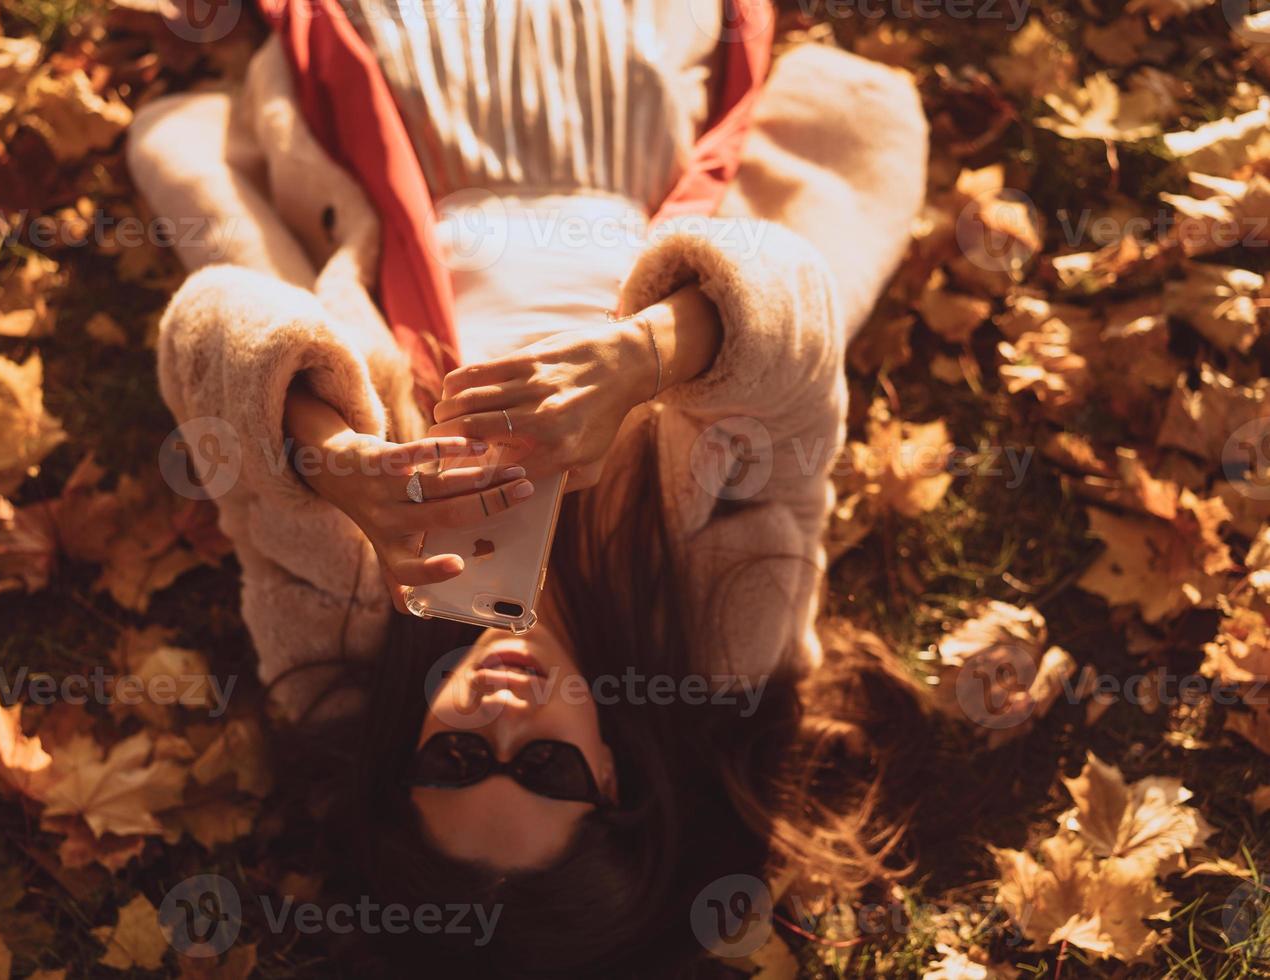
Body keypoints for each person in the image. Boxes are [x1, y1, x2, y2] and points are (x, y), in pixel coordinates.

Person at [128, 0, 928, 971]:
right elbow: (797, 322)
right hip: (628, 132)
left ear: (402, 762)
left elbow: (210, 329)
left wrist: (326, 457)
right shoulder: (721, 625)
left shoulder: (346, 634)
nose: (501, 712)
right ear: (616, 774)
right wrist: (639, 357)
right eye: (545, 765)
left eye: (456, 758)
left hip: (404, 139)